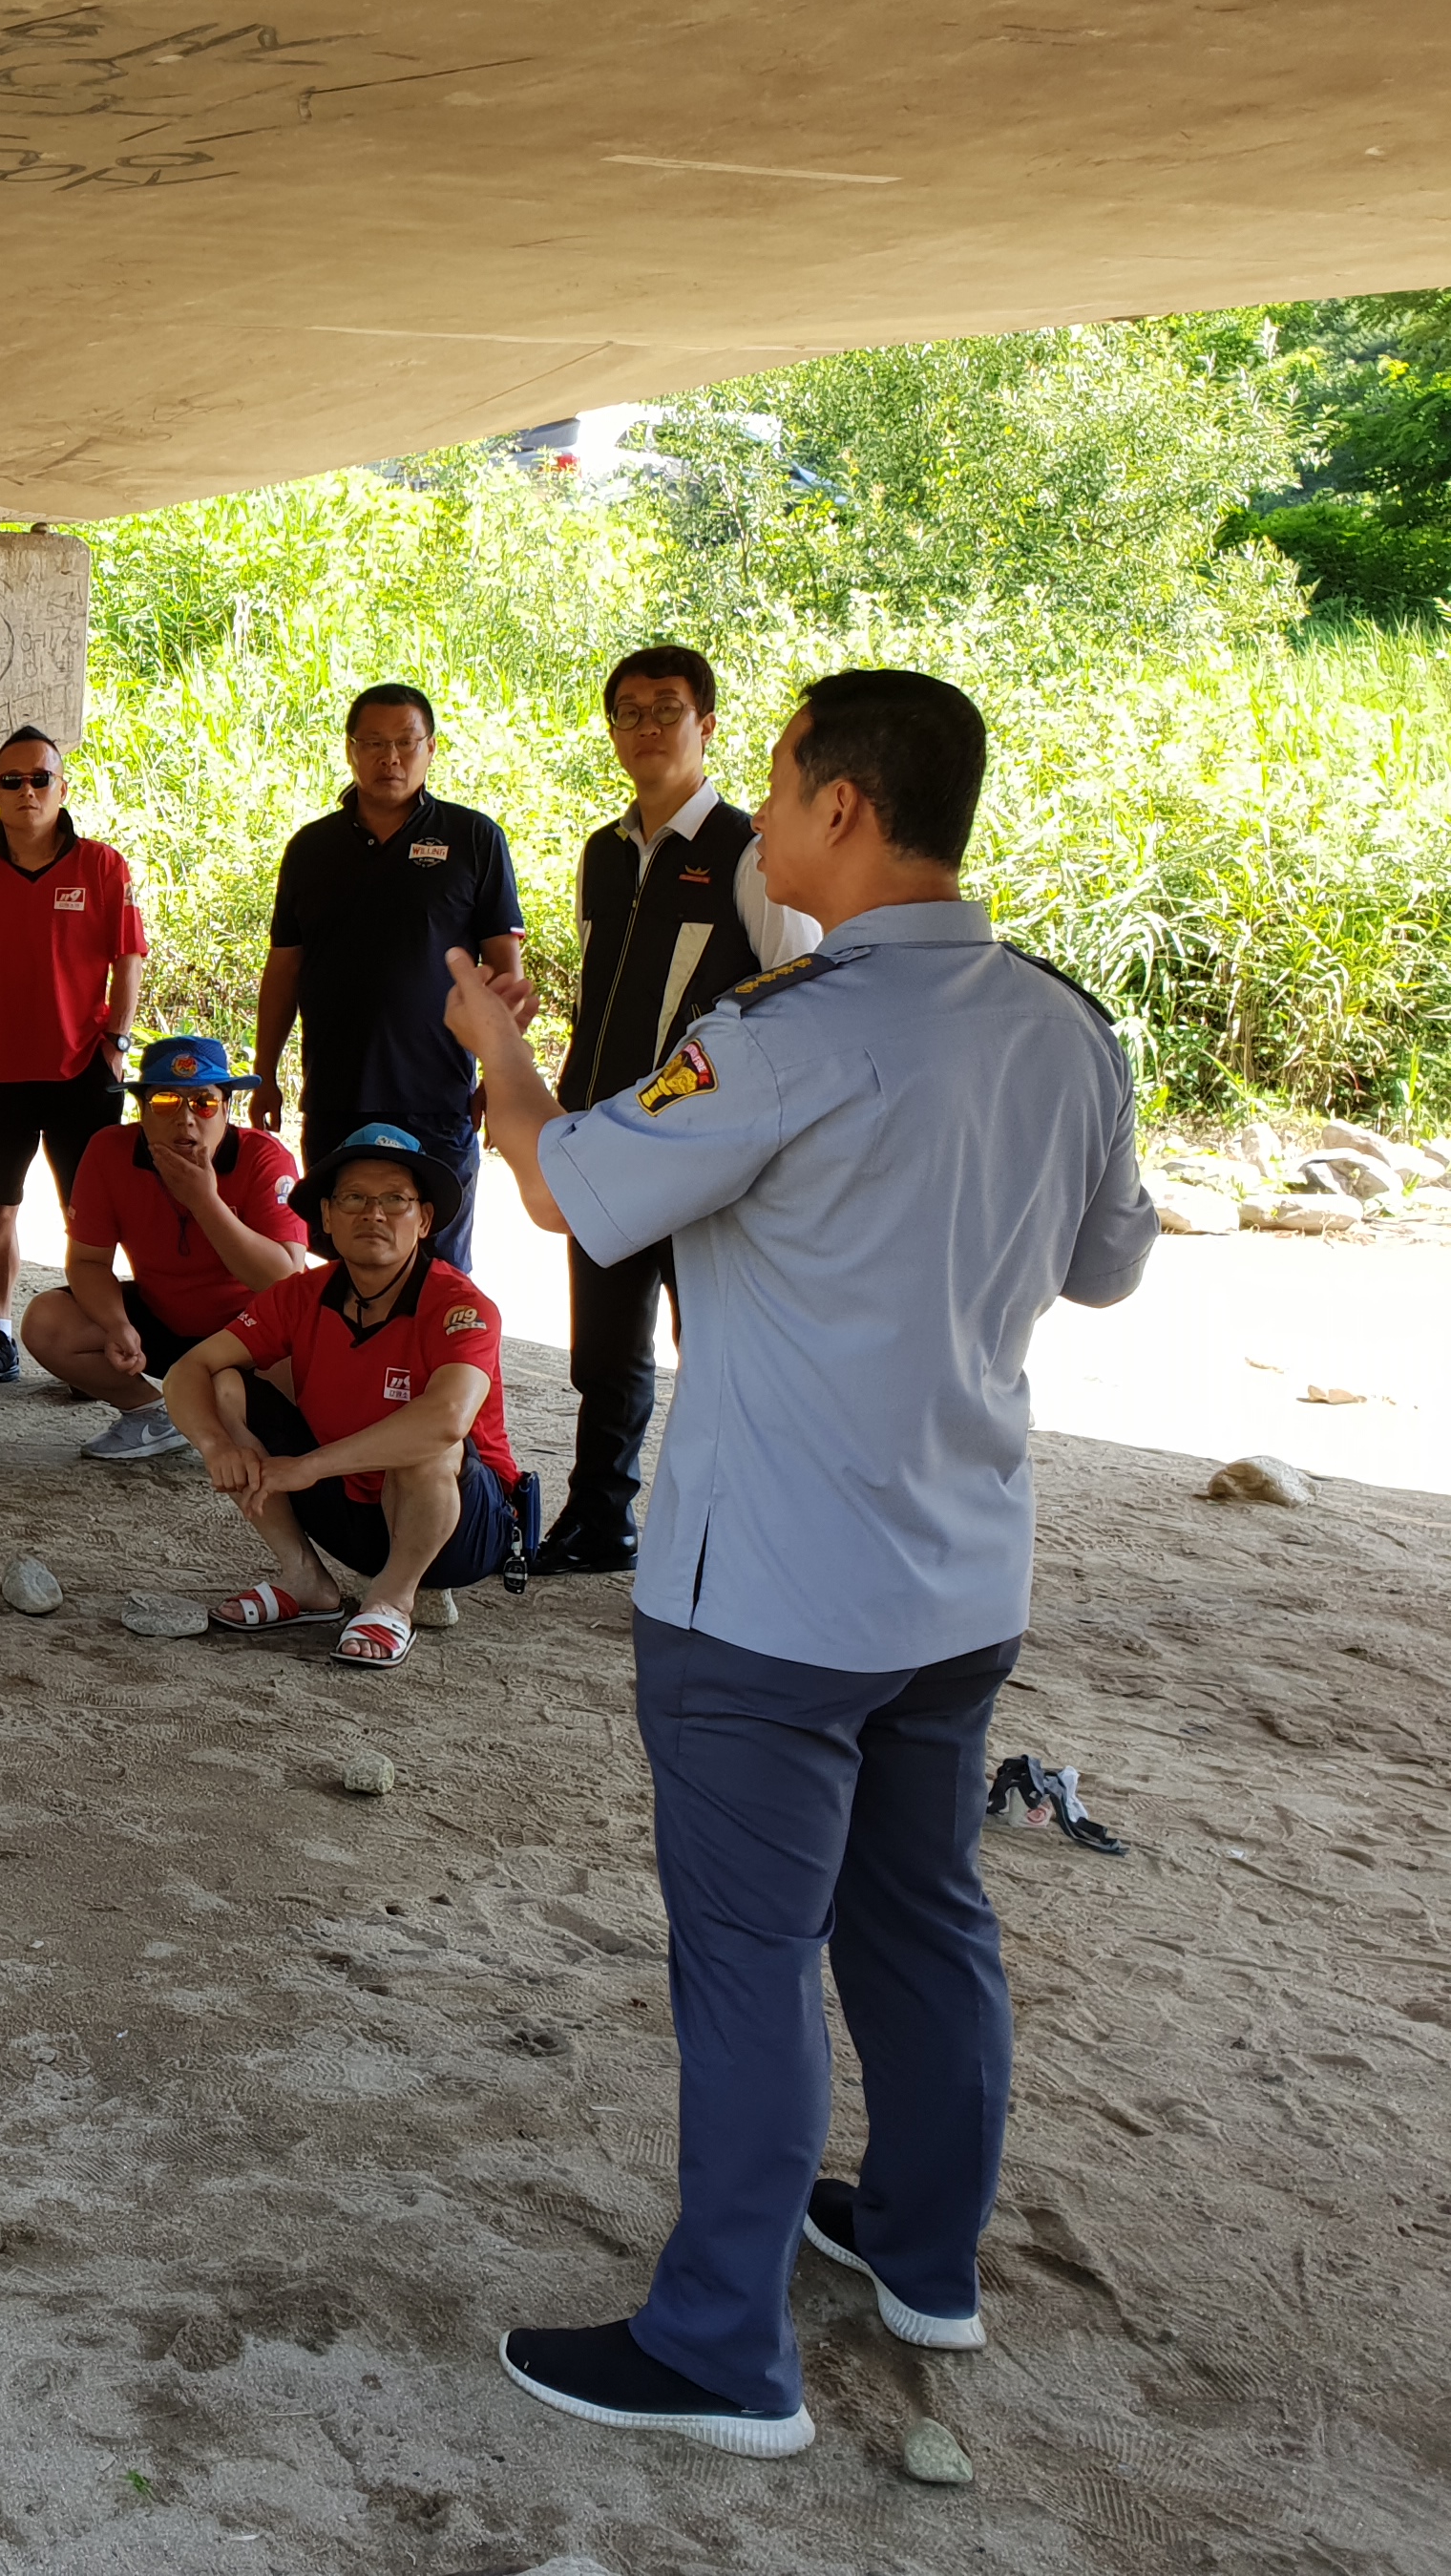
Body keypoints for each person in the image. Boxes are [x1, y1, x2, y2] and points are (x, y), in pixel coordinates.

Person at [447, 669, 1155, 2460]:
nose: (756, 816)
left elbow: (570, 1185)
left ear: (843, 805)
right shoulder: (1064, 1027)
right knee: (923, 1911)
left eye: (772, 781)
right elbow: (1106, 1267)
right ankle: (923, 2253)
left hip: (768, 1590)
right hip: (959, 1576)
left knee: (751, 1954)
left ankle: (719, 2348)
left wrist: (496, 1051)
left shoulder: (778, 1035)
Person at [535, 643, 816, 1577]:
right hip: (606, 1140)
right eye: (629, 711)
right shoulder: (602, 852)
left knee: (719, 1349)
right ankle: (600, 1520)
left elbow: (800, 998)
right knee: (605, 1350)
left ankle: (723, 1536)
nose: (646, 726)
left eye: (667, 708)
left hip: (709, 1154)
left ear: (707, 725)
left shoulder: (751, 853)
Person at [157, 1124, 521, 1669]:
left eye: (394, 1199)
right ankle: (305, 1579)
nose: (373, 1214)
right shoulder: (302, 1294)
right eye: (353, 1198)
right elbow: (189, 1369)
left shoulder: (461, 1306)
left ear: (423, 1220)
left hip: (460, 1532)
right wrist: (217, 1446)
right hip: (350, 1513)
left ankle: (393, 1598)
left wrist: (308, 1467)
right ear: (327, 1216)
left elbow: (448, 1419)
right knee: (223, 1384)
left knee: (429, 1438)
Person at [251, 685, 529, 1274]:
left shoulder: (473, 839)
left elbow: (505, 970)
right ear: (351, 751)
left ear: (431, 748)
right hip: (337, 1096)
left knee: (439, 1268)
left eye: (406, 742)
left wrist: (500, 1077)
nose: (391, 758)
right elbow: (285, 969)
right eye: (374, 743)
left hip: (438, 1098)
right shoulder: (311, 848)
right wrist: (265, 1071)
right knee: (344, 1262)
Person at [0, 726, 145, 1395]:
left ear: (61, 787)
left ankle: (92, 1338)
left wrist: (117, 1042)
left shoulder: (103, 866)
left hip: (84, 1069)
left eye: (40, 778)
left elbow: (128, 958)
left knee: (88, 1216)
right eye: (11, 781)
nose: (26, 791)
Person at [21, 1036, 308, 1463]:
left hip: (247, 1331)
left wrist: (205, 1202)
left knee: (301, 1377)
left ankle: (230, 1415)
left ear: (227, 1110)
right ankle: (151, 1415)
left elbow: (283, 1277)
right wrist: (116, 1323)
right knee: (46, 1322)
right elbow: (87, 1261)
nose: (185, 1119)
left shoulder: (265, 1158)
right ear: (141, 1111)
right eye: (165, 1102)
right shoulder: (109, 1150)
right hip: (159, 1317)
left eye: (203, 1103)